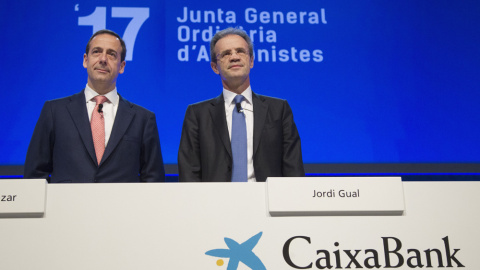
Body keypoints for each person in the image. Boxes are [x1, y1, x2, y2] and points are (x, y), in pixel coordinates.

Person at [24, 29, 165, 183]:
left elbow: (153, 180)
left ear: (122, 66)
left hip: (121, 206)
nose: (103, 59)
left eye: (111, 54)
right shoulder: (54, 111)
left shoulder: (143, 119)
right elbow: (35, 175)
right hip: (66, 206)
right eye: (97, 52)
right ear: (86, 60)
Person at [178, 27, 304, 182]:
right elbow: (189, 171)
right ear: (215, 67)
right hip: (214, 203)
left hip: (266, 203)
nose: (234, 57)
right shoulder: (197, 114)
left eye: (240, 51)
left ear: (251, 60)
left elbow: (293, 169)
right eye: (226, 54)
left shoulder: (279, 110)